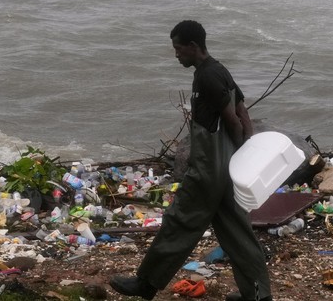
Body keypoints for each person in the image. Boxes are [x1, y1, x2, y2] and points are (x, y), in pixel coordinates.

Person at [110, 20, 272, 301]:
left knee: (179, 222)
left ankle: (146, 284)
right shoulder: (220, 69)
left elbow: (232, 120)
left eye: (178, 48)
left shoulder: (206, 77)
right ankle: (258, 296)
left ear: (193, 46)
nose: (176, 55)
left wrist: (237, 148)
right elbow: (242, 108)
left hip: (209, 171)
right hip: (228, 170)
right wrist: (245, 153)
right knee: (238, 234)